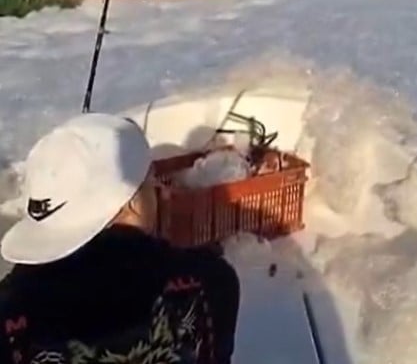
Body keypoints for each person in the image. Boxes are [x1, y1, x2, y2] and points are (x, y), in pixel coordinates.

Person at [0, 113, 240, 364]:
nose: (164, 193)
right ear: (132, 202)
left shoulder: (11, 315)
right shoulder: (210, 282)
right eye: (151, 181)